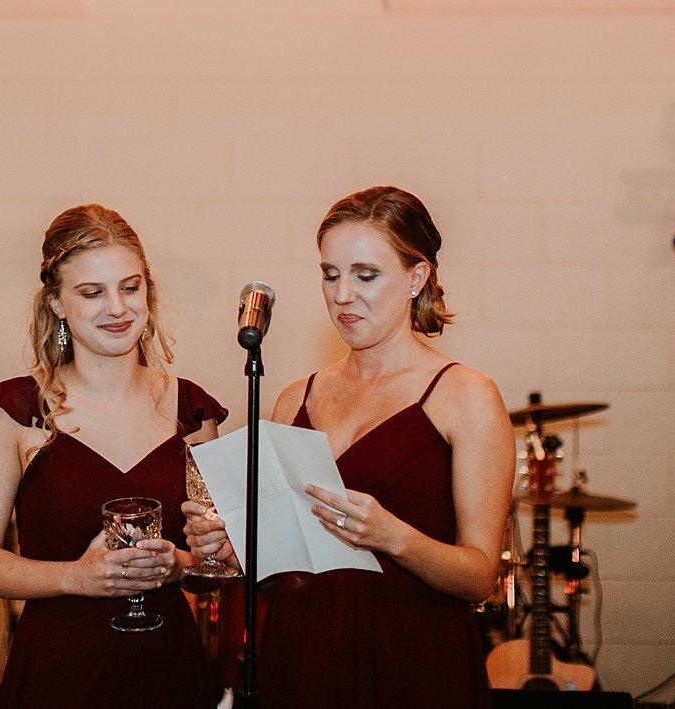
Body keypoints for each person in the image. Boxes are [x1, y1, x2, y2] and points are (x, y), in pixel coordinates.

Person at [184, 186, 512, 707]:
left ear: (416, 277)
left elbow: (478, 577)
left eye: (365, 275)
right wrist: (229, 549)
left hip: (411, 654)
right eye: (330, 274)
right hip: (303, 647)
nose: (341, 295)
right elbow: (277, 567)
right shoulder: (296, 397)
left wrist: (393, 536)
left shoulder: (465, 396)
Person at [0, 204, 225, 709]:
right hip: (60, 665)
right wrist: (75, 577)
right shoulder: (16, 412)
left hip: (168, 665)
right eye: (92, 293)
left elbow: (212, 565)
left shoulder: (193, 412)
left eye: (130, 287)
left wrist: (180, 565)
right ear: (57, 303)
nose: (117, 308)